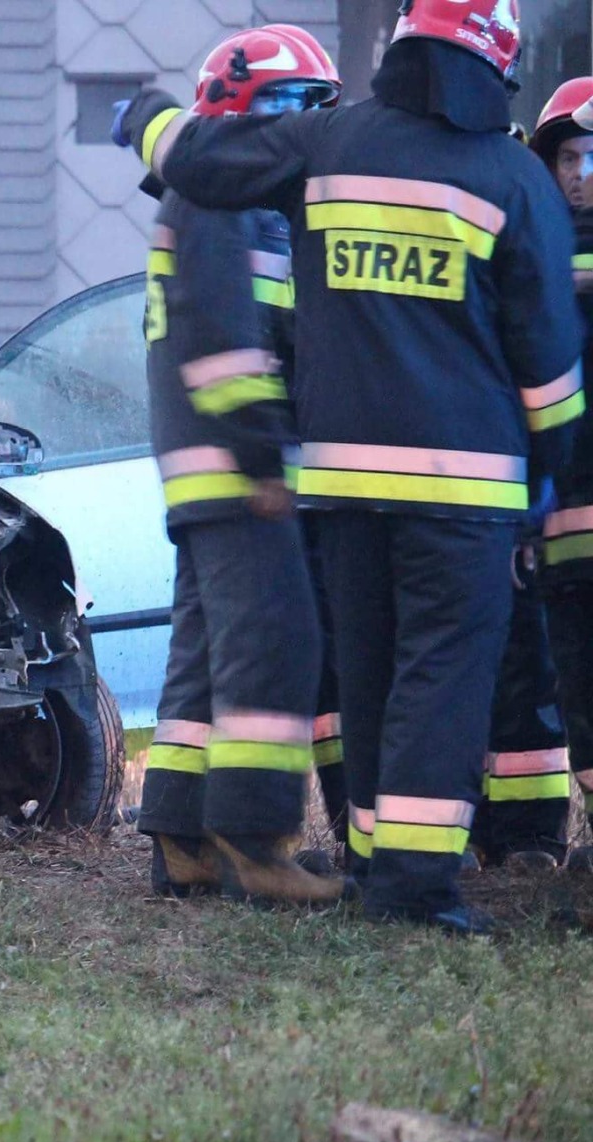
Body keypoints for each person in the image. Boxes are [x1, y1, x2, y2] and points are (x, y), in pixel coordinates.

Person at [118, 0, 586, 932]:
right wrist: (551, 472)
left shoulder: (328, 142)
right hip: (464, 491)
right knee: (442, 678)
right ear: (499, 62)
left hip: (336, 485)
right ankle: (414, 889)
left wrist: (143, 118)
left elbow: (205, 159)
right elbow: (547, 363)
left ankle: (371, 861)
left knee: (365, 677)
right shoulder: (511, 176)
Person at [135, 25, 343, 905]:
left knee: (208, 656)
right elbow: (223, 340)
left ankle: (183, 838)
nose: (304, 131)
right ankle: (258, 844)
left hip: (206, 468)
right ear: (241, 107)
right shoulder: (222, 201)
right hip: (238, 466)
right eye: (295, 108)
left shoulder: (212, 197)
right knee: (275, 647)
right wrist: (266, 454)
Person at [527, 78, 593, 871]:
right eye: (570, 157)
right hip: (563, 513)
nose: (582, 172)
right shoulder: (533, 246)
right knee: (575, 676)